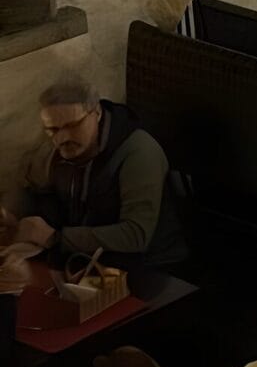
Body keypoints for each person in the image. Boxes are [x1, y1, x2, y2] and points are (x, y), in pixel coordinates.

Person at [1, 79, 187, 270]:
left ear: (96, 113)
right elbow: (30, 186)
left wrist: (55, 237)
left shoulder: (139, 151)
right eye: (53, 129)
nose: (62, 138)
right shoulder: (55, 149)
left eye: (73, 125)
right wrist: (10, 213)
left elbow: (136, 235)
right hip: (85, 260)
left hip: (151, 267)